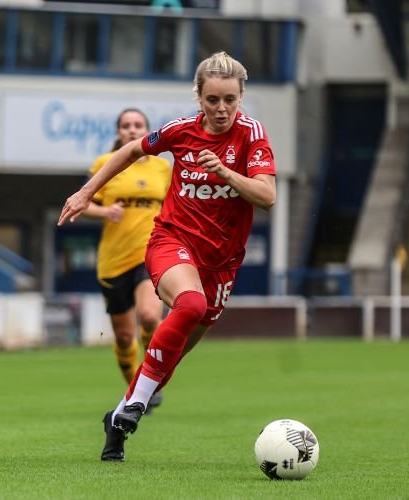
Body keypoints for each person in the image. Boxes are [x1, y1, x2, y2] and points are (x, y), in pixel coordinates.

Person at [58, 51, 276, 462]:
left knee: (171, 355)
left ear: (241, 97)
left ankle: (120, 417)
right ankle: (137, 405)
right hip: (171, 242)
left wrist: (227, 174)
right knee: (189, 303)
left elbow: (267, 196)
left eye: (230, 99)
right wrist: (86, 192)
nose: (222, 108)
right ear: (198, 97)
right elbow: (129, 153)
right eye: (213, 99)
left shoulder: (252, 135)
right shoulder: (180, 131)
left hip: (222, 263)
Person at [80, 108, 171, 412]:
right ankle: (135, 385)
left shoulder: (162, 168)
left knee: (148, 316)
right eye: (126, 126)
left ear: (147, 130)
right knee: (123, 336)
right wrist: (105, 211)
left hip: (151, 254)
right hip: (113, 259)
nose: (132, 130)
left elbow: (176, 207)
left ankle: (150, 380)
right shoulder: (106, 165)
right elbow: (83, 203)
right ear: (118, 132)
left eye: (138, 125)